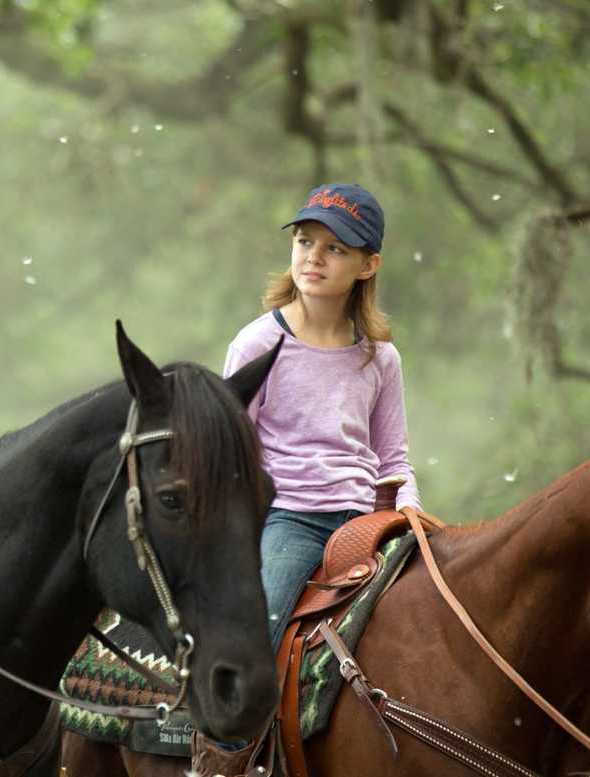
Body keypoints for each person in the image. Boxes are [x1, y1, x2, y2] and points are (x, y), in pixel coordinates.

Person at [196, 183, 421, 776]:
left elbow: (393, 458)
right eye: (304, 242)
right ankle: (224, 754)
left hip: (369, 522)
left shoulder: (379, 356)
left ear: (368, 265)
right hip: (290, 517)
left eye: (334, 248)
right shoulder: (257, 342)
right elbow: (229, 454)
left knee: (433, 614)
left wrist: (415, 519)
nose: (313, 257)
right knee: (261, 623)